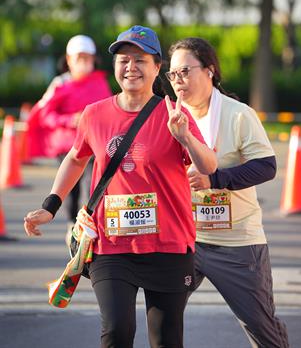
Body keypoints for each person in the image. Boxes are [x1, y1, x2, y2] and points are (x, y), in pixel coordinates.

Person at [24, 25, 217, 348]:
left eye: (140, 60)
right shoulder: (95, 114)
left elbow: (208, 166)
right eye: (123, 60)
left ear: (157, 68)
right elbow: (75, 158)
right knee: (116, 331)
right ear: (114, 66)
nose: (131, 67)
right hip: (111, 246)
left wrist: (184, 136)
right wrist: (50, 206)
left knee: (166, 339)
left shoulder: (174, 114)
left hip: (168, 245)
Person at [166, 37, 289, 348]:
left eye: (185, 71)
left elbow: (266, 167)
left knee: (261, 328)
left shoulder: (238, 114)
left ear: (209, 70)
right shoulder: (168, 118)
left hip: (237, 244)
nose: (178, 81)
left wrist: (216, 178)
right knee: (163, 318)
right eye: (172, 74)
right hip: (186, 242)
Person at [27, 35, 112, 241]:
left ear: (94, 59)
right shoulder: (60, 84)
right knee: (71, 188)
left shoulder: (100, 82)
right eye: (79, 57)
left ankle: (95, 223)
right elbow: (45, 114)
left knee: (99, 183)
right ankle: (72, 224)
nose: (83, 61)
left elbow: (110, 110)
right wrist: (69, 120)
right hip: (69, 146)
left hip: (96, 144)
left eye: (87, 57)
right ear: (68, 59)